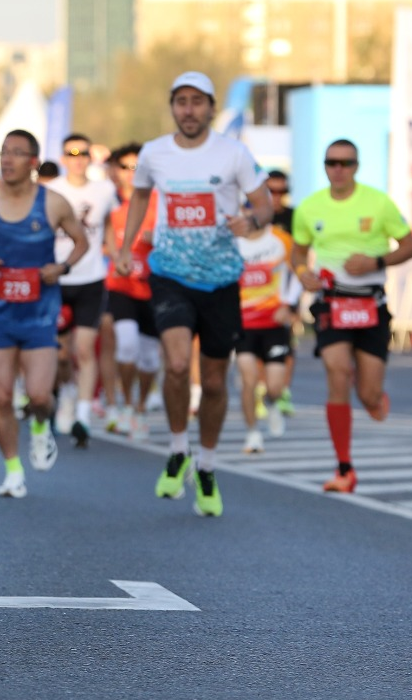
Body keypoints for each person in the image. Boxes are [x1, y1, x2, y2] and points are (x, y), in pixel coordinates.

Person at [116, 71, 270, 518]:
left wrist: (251, 221)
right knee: (179, 364)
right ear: (172, 107)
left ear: (210, 107)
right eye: (181, 101)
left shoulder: (233, 153)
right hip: (170, 273)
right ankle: (178, 447)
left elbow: (265, 204)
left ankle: (206, 464)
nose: (188, 110)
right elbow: (140, 197)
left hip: (220, 278)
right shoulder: (153, 153)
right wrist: (126, 247)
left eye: (197, 102)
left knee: (216, 381)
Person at [0, 131, 85, 497]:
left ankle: (41, 428)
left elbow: (82, 242)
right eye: (4, 153)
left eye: (16, 153)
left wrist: (62, 268)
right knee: (1, 397)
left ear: (33, 162)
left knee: (40, 396)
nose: (7, 160)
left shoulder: (53, 202)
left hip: (40, 314)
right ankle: (13, 470)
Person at [291, 139, 412, 493]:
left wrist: (374, 262)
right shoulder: (309, 207)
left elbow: (411, 246)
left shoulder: (378, 203)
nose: (338, 169)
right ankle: (344, 468)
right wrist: (302, 273)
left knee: (368, 394)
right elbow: (298, 252)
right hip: (331, 302)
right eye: (332, 162)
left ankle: (372, 397)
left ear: (356, 167)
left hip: (370, 304)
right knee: (337, 370)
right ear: (324, 166)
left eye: (346, 163)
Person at [48, 133, 117, 447]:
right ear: (63, 158)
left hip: (91, 278)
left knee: (85, 349)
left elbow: (109, 225)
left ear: (91, 157)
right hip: (58, 280)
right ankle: (66, 393)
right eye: (71, 154)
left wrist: (117, 252)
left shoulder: (104, 190)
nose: (77, 159)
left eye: (83, 153)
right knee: (61, 354)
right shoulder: (52, 190)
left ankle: (84, 416)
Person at [103, 143, 159, 441]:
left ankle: (140, 407)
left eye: (137, 167)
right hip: (121, 287)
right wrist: (115, 253)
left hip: (153, 288)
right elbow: (103, 240)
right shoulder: (109, 204)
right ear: (117, 171)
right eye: (125, 167)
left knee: (150, 358)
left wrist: (157, 237)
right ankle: (124, 404)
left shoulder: (159, 202)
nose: (131, 173)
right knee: (126, 346)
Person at [235, 212, 300, 454]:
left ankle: (271, 402)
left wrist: (289, 305)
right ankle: (252, 434)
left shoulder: (281, 239)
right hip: (243, 324)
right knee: (248, 380)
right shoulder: (233, 243)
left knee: (274, 387)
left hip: (274, 324)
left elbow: (301, 271)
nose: (249, 215)